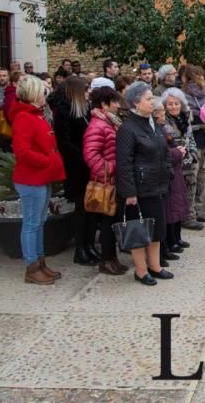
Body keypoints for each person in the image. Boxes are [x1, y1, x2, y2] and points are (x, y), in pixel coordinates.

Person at [116, 84, 174, 285]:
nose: (152, 102)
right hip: (140, 189)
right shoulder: (128, 129)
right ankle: (141, 270)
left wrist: (168, 171)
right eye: (148, 99)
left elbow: (164, 151)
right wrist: (129, 192)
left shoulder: (154, 124)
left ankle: (155, 266)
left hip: (157, 184)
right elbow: (124, 163)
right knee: (140, 230)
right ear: (135, 102)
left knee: (157, 229)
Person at [11, 75, 66, 285]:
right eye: (44, 92)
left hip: (42, 176)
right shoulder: (24, 118)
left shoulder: (37, 115)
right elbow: (22, 151)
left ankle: (40, 263)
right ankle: (32, 266)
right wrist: (46, 161)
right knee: (32, 223)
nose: (47, 95)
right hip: (31, 178)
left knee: (39, 221)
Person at [82, 86, 128, 275]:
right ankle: (107, 260)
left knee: (114, 220)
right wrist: (109, 169)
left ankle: (112, 258)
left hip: (114, 179)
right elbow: (91, 154)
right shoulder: (98, 125)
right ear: (104, 104)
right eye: (114, 101)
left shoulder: (109, 122)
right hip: (107, 181)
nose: (118, 105)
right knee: (108, 221)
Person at [53, 75, 96, 266]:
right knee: (81, 209)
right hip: (77, 167)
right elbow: (64, 142)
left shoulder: (85, 110)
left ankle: (89, 244)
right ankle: (81, 248)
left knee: (91, 208)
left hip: (88, 165)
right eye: (85, 90)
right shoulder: (64, 111)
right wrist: (84, 158)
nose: (88, 93)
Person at [157, 93, 191, 262]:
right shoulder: (161, 129)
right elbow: (164, 152)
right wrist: (178, 151)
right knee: (170, 209)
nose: (169, 110)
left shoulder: (181, 120)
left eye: (175, 103)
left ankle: (176, 238)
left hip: (179, 165)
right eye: (165, 108)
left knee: (178, 204)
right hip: (170, 169)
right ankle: (170, 242)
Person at [182, 65, 205, 228]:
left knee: (199, 176)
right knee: (196, 176)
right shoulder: (183, 96)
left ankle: (194, 210)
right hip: (197, 139)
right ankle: (191, 212)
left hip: (202, 138)